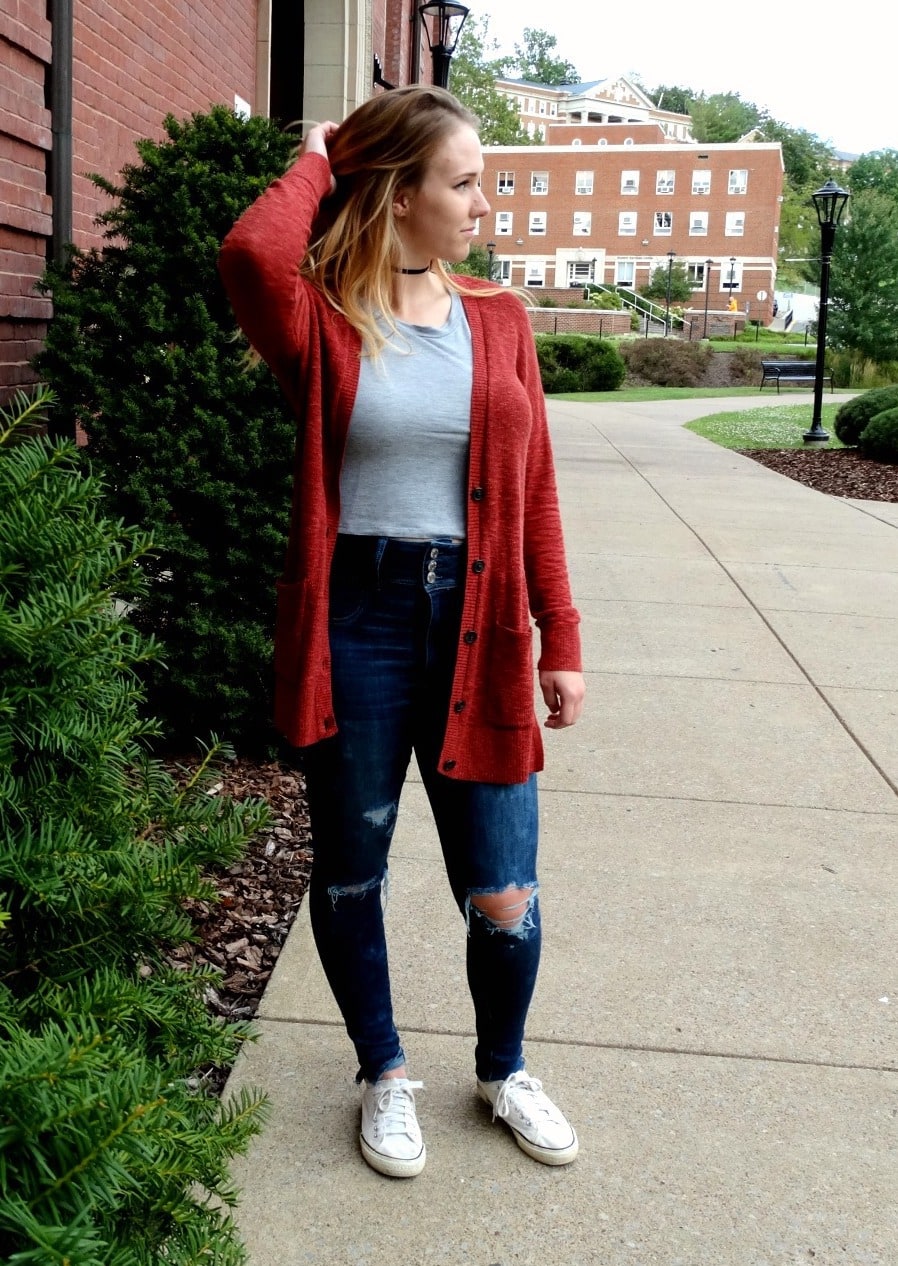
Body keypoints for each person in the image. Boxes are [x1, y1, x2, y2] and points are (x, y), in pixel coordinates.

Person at [219, 85, 585, 1180]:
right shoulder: (320, 322)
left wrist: (557, 633)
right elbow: (251, 252)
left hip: (475, 625)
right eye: (463, 181)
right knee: (350, 874)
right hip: (357, 622)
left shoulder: (501, 319)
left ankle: (503, 1067)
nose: (483, 202)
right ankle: (383, 1073)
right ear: (398, 194)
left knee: (503, 890)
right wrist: (322, 156)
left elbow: (537, 493)